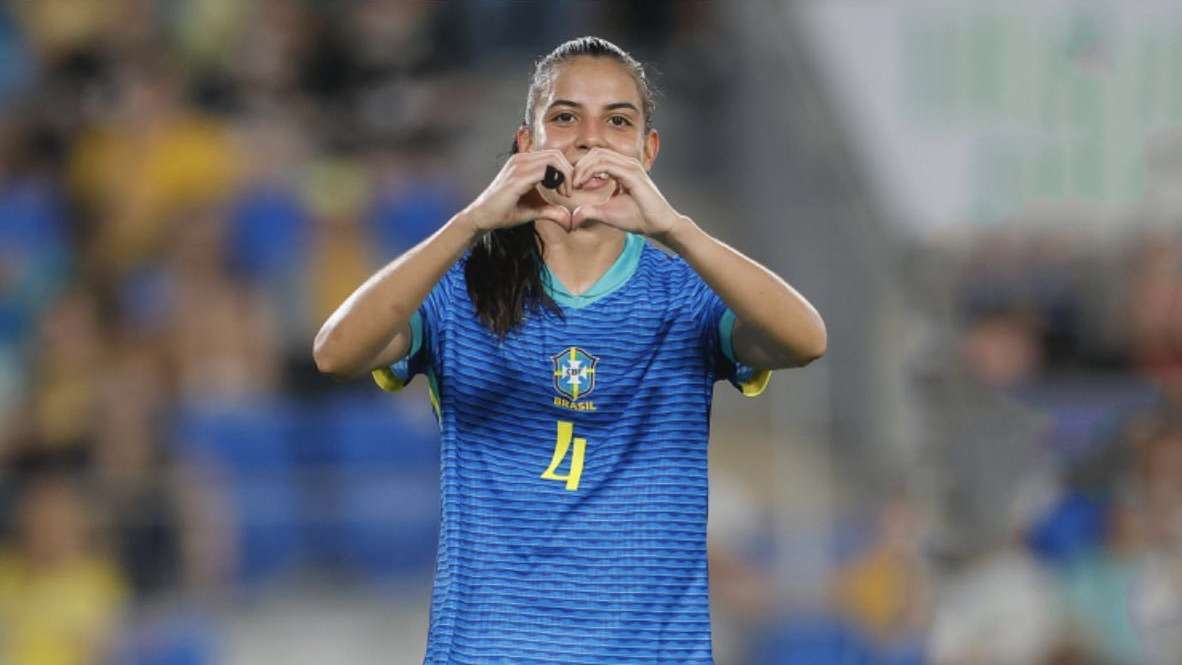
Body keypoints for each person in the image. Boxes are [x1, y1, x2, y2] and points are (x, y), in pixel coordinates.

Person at [314, 36, 826, 663]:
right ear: (525, 146)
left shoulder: (688, 295)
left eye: (617, 121)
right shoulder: (458, 286)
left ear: (648, 150)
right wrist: (471, 220)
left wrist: (676, 229)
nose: (589, 140)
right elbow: (335, 352)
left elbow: (806, 340)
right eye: (565, 118)